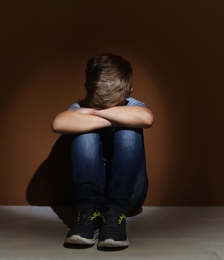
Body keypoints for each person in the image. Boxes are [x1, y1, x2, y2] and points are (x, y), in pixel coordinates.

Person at [51, 53, 154, 248]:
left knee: (129, 131)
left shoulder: (132, 105)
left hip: (128, 198)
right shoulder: (79, 107)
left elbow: (147, 119)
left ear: (130, 92)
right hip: (89, 198)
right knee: (84, 132)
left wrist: (93, 112)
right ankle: (90, 215)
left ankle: (116, 214)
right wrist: (103, 116)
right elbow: (58, 123)